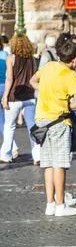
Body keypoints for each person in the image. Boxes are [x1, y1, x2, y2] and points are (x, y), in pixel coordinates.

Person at [30, 40, 76, 217]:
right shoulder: (70, 75)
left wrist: (46, 92)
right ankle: (61, 205)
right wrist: (65, 101)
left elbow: (33, 81)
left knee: (47, 165)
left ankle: (50, 204)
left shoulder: (49, 66)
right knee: (59, 164)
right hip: (60, 121)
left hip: (42, 121)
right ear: (75, 59)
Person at [0, 35, 39, 164]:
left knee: (9, 126)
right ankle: (37, 155)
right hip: (29, 96)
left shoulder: (10, 58)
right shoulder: (32, 59)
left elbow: (9, 78)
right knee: (32, 127)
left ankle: (6, 154)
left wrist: (5, 96)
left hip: (14, 96)